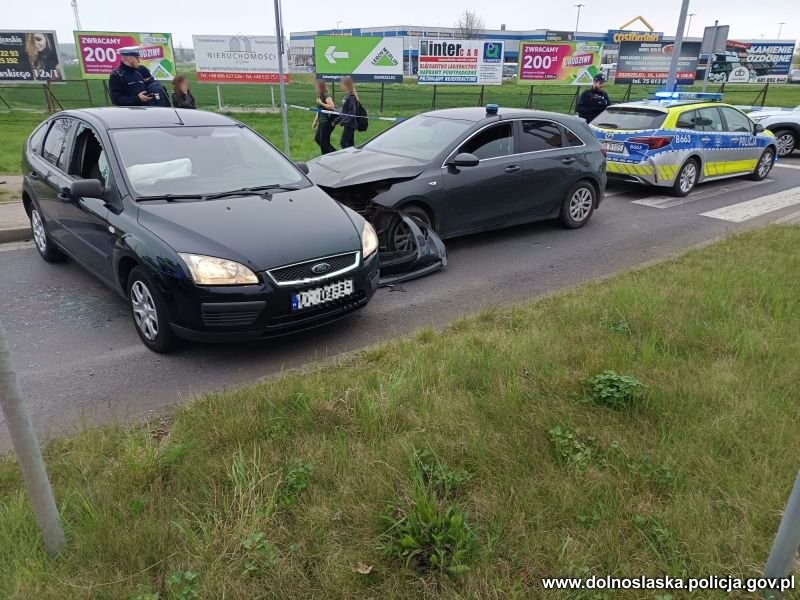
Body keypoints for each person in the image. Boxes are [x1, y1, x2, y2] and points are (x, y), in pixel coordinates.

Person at [312, 79, 336, 154]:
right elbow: (319, 110)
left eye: (316, 87)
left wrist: (321, 103)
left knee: (323, 141)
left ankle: (329, 155)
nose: (315, 88)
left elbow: (332, 107)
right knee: (318, 139)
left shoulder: (326, 95)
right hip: (322, 121)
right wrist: (315, 121)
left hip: (327, 122)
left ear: (320, 87)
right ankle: (334, 153)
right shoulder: (320, 96)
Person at [336, 76, 360, 149]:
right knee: (350, 144)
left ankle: (347, 158)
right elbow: (344, 112)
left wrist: (344, 121)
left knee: (343, 142)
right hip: (348, 123)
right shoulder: (346, 95)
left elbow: (352, 112)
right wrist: (336, 121)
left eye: (341, 84)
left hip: (351, 124)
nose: (340, 85)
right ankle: (353, 158)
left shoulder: (351, 96)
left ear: (346, 85)